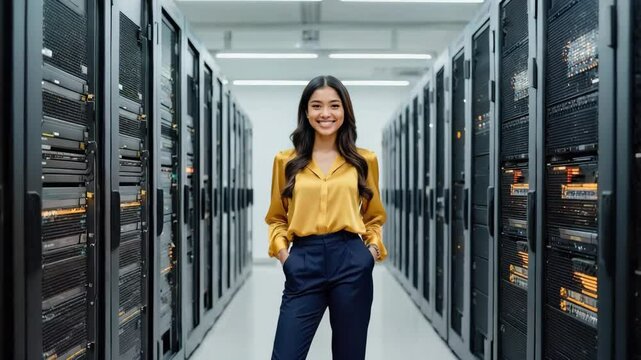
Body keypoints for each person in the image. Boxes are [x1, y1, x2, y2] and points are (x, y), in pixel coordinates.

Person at [265, 75, 387, 360]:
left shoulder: (363, 160)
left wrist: (368, 253)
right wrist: (286, 258)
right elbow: (276, 218)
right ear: (306, 112)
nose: (325, 114)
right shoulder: (286, 161)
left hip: (350, 259)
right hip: (304, 261)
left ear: (345, 111)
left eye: (334, 105)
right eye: (317, 106)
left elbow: (374, 217)